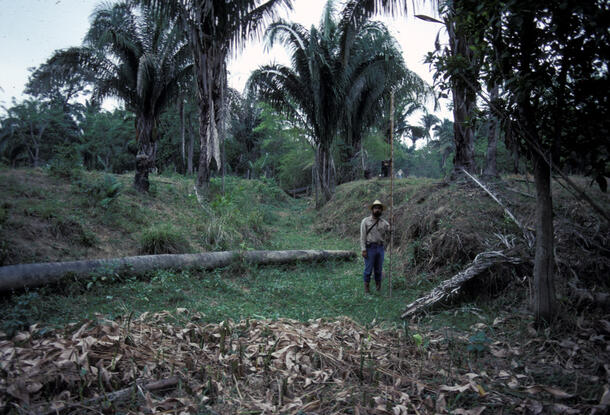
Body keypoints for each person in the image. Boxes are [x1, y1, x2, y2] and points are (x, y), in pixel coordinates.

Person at [360, 200, 390, 293]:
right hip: (370, 248)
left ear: (381, 211)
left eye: (379, 209)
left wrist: (392, 225)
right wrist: (363, 249)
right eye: (376, 208)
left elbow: (389, 233)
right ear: (372, 209)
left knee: (378, 270)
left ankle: (378, 289)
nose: (378, 210)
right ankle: (366, 290)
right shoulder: (365, 221)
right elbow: (362, 236)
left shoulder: (384, 223)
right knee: (368, 270)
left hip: (380, 248)